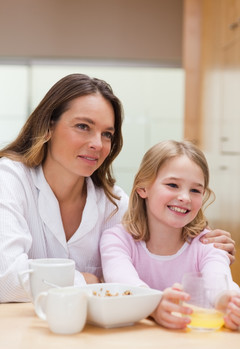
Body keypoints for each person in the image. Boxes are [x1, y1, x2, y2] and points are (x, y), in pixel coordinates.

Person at [0, 74, 236, 303]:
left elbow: (155, 255)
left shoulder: (115, 205)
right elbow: (6, 278)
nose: (97, 144)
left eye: (107, 134)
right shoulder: (9, 179)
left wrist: (212, 251)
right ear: (48, 127)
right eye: (83, 126)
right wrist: (87, 280)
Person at [100, 140, 240, 330]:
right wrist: (154, 305)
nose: (185, 197)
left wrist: (228, 301)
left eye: (195, 190)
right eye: (173, 185)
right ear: (143, 188)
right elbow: (122, 281)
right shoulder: (117, 240)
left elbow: (218, 279)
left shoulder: (208, 243)